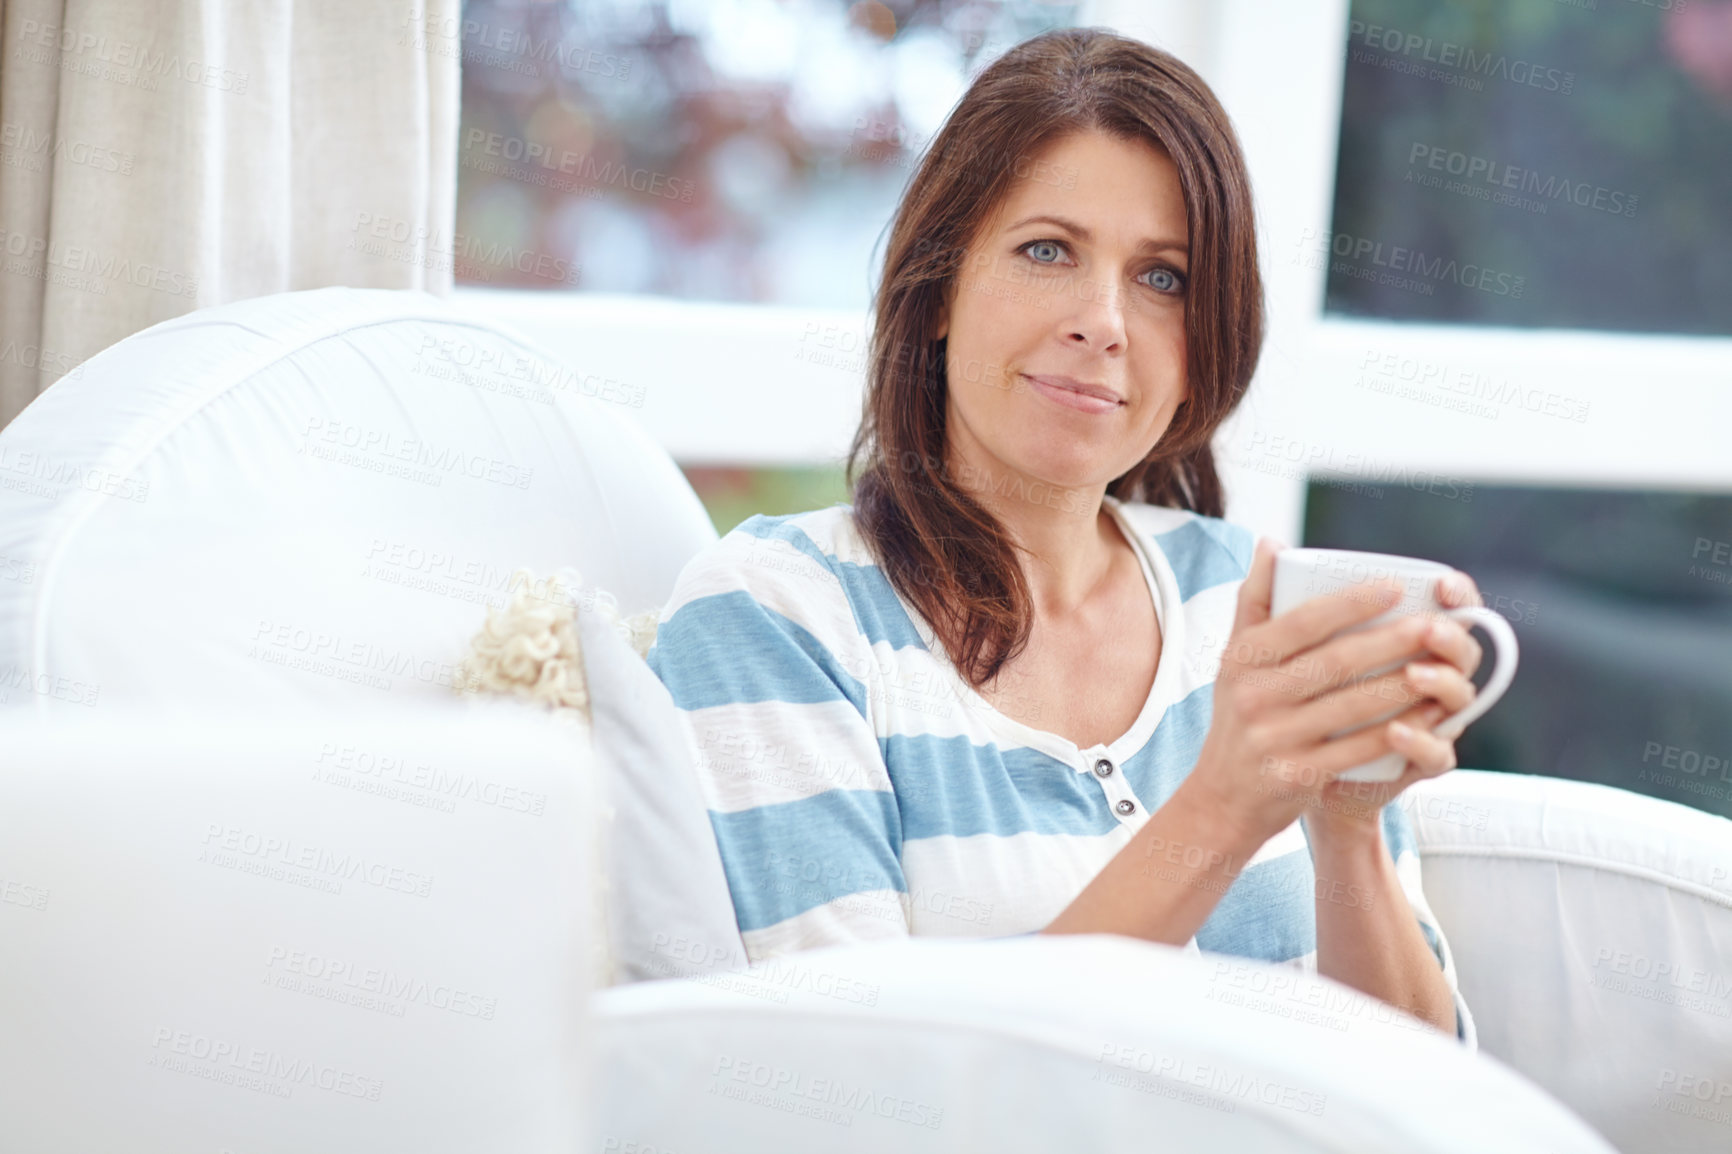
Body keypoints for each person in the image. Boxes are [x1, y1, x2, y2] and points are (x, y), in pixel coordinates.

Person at [645, 28, 1481, 1045]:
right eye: (1047, 250)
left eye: (1163, 277)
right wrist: (1221, 808)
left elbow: (1428, 1078)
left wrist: (1344, 826)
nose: (1104, 320)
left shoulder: (1243, 598)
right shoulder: (775, 615)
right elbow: (860, 1088)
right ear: (939, 284)